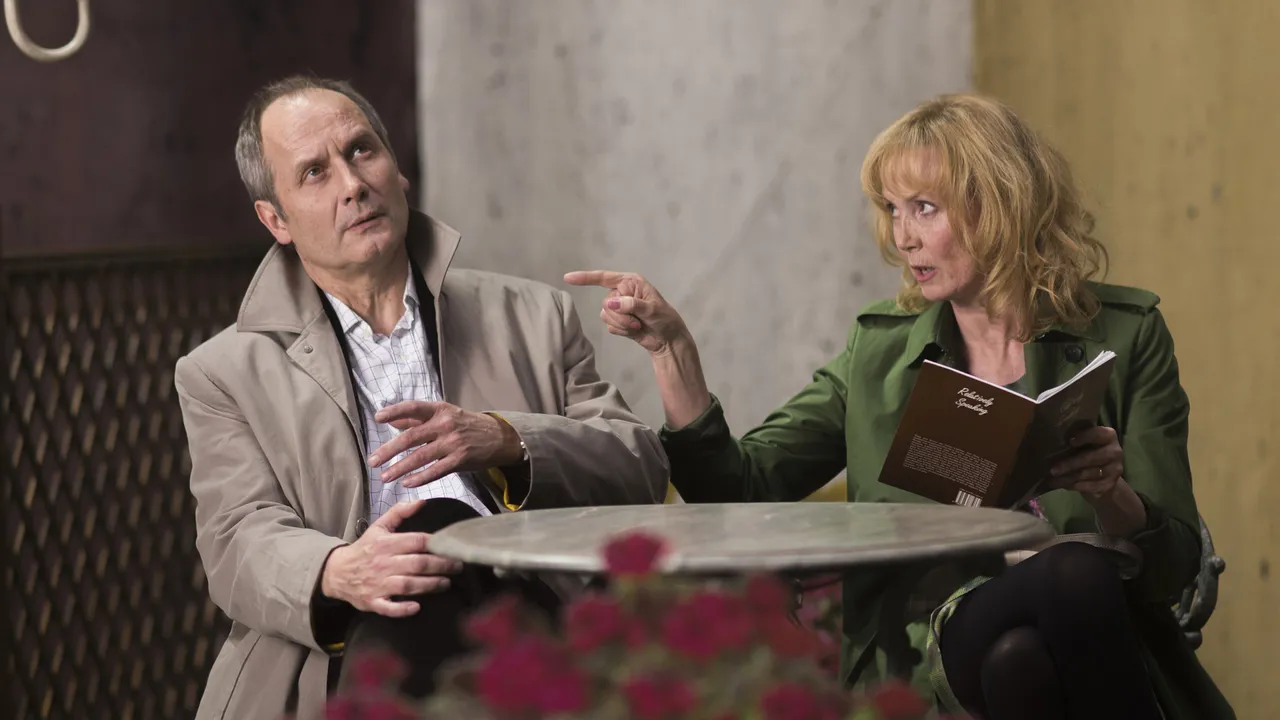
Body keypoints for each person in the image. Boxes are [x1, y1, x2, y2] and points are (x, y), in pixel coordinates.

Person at [566, 94, 1233, 720]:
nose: (902, 237)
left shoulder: (1126, 335)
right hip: (920, 644)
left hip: (1080, 643)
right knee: (1072, 573)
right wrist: (673, 351)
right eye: (892, 209)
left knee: (1023, 661)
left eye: (924, 208)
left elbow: (1174, 565)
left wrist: (1111, 494)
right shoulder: (880, 353)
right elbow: (737, 489)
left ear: (1001, 205)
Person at [176, 75, 669, 720]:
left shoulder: (533, 316)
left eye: (361, 150)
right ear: (276, 220)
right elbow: (236, 539)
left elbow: (639, 466)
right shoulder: (222, 373)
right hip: (349, 638)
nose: (353, 184)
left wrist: (508, 439)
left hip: (528, 612)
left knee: (440, 527)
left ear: (397, 170)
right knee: (421, 543)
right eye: (315, 173)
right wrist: (338, 568)